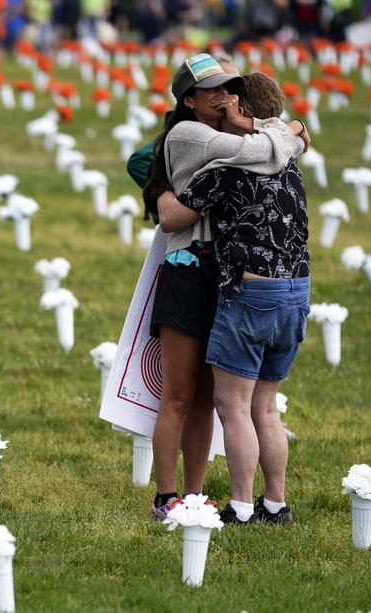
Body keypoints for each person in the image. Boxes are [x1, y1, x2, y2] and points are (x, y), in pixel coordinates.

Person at [140, 53, 307, 520]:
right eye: (211, 89)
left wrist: (275, 132)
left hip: (231, 277)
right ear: (188, 100)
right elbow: (257, 153)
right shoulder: (189, 134)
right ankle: (165, 497)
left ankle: (193, 495)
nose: (224, 95)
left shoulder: (235, 136)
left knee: (210, 397)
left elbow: (262, 150)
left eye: (230, 86)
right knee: (177, 392)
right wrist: (288, 131)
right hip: (190, 266)